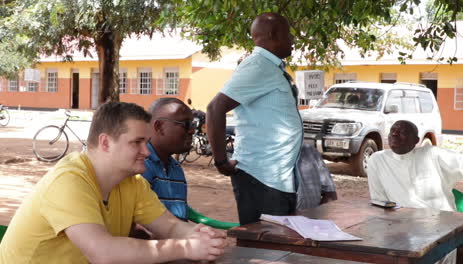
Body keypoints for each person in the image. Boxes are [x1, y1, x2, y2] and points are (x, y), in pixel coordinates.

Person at [0, 102, 226, 263]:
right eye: (137, 142)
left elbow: (170, 225)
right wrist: (186, 247)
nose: (146, 152)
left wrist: (201, 234)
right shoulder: (68, 181)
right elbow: (103, 253)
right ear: (106, 143)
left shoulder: (133, 183)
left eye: (146, 142)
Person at [206, 12, 303, 225]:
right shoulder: (258, 65)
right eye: (288, 34)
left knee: (278, 248)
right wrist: (221, 160)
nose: (292, 40)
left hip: (275, 178)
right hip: (260, 177)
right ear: (272, 34)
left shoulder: (269, 67)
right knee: (264, 250)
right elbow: (215, 108)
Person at [368, 120, 463, 264]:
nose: (395, 134)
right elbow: (379, 201)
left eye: (402, 132)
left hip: (440, 227)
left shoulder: (432, 154)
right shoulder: (377, 160)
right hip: (401, 227)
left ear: (416, 140)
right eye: (392, 131)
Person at [143, 98, 195, 221]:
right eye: (186, 125)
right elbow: (140, 227)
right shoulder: (140, 166)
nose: (192, 131)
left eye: (193, 124)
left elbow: (180, 219)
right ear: (159, 127)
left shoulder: (176, 168)